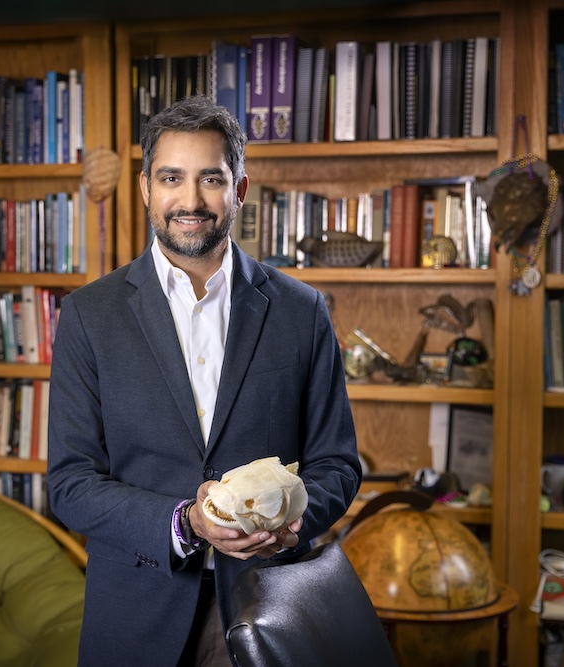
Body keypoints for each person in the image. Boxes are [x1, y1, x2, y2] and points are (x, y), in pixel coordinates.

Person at [47, 95, 361, 667]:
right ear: (146, 188)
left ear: (239, 189)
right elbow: (71, 483)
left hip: (269, 602)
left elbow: (336, 464)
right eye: (172, 178)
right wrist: (187, 522)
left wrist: (292, 524)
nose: (190, 201)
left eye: (210, 179)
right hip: (136, 609)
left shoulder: (302, 310)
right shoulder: (89, 315)